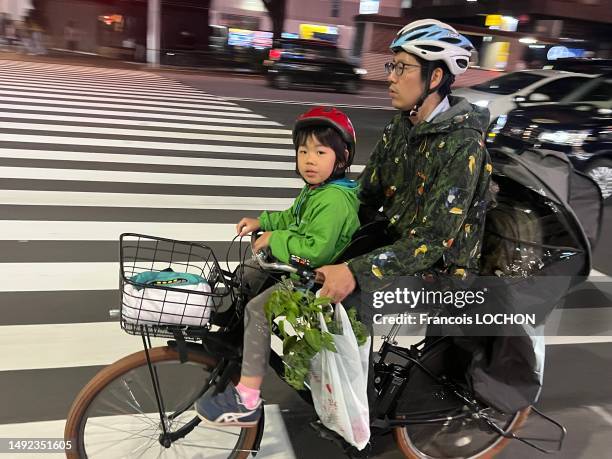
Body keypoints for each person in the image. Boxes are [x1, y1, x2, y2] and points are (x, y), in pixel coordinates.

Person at [317, 19, 493, 327]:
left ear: (435, 76)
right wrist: (311, 228)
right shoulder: (400, 126)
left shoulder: (464, 144)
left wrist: (355, 270)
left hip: (441, 274)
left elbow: (433, 240)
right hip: (393, 247)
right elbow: (366, 196)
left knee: (347, 309)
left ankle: (358, 377)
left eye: (402, 68)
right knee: (307, 277)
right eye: (392, 66)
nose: (390, 78)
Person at [194, 106, 361, 427]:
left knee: (258, 309)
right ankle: (233, 331)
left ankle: (247, 398)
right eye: (303, 151)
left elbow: (316, 248)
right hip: (305, 270)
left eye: (320, 152)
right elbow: (292, 218)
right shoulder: (317, 191)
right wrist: (264, 222)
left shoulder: (335, 200)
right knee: (249, 272)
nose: (309, 160)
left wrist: (276, 239)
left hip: (318, 279)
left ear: (341, 159)